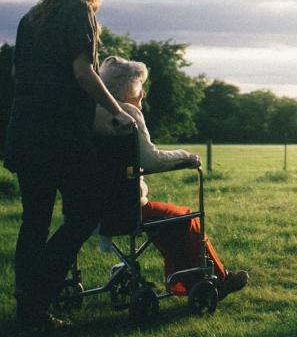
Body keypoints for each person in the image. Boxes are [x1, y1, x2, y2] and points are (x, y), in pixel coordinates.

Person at [4, 0, 134, 330]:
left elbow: (18, 73)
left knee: (35, 220)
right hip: (59, 136)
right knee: (84, 215)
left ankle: (28, 307)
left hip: (25, 131)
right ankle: (38, 293)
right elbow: (83, 72)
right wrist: (117, 110)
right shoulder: (79, 12)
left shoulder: (32, 17)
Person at [94, 56, 249, 299]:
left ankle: (190, 281)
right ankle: (216, 280)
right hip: (126, 208)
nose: (143, 93)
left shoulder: (92, 114)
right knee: (185, 218)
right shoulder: (127, 114)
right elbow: (151, 160)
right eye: (139, 86)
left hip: (93, 207)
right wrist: (187, 157)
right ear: (126, 88)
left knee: (169, 221)